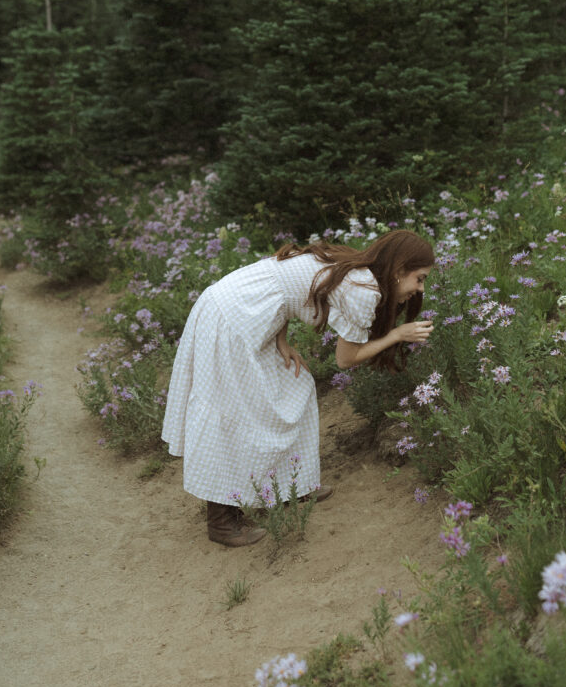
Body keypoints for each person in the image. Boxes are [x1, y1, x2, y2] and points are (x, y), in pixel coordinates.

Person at [162, 229, 435, 547]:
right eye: (419, 278)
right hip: (231, 318)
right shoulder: (365, 289)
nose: (419, 289)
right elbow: (347, 359)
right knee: (234, 408)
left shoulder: (354, 268)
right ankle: (221, 520)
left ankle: (291, 485)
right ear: (400, 269)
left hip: (248, 311)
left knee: (296, 383)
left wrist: (281, 340)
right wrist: (397, 335)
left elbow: (281, 283)